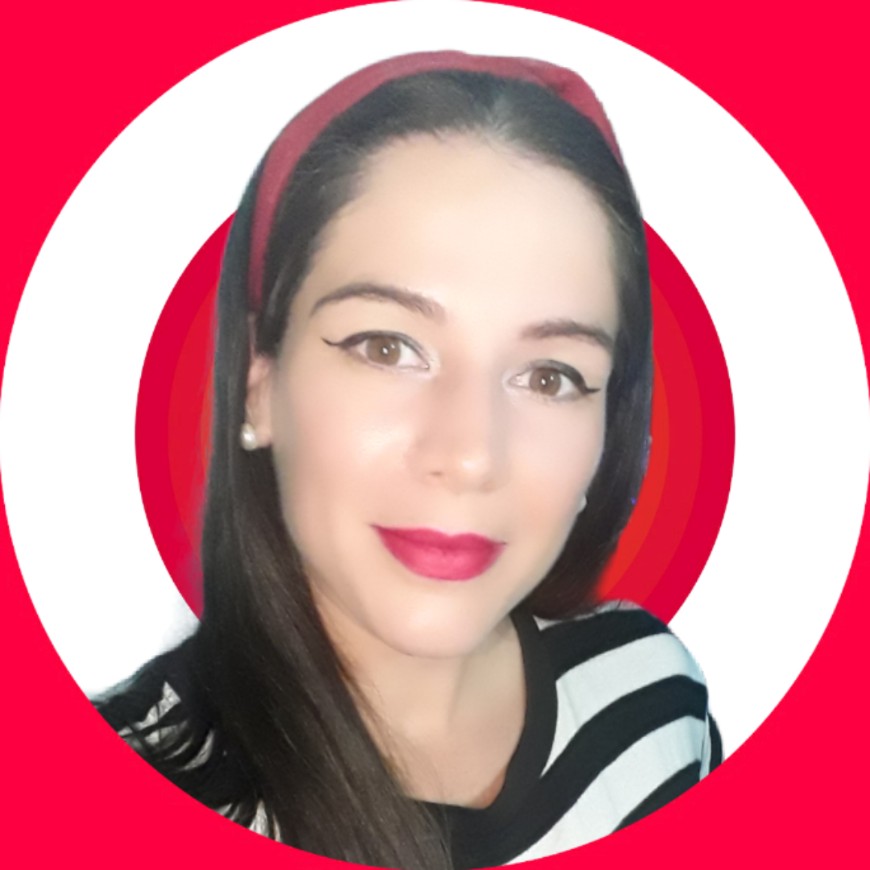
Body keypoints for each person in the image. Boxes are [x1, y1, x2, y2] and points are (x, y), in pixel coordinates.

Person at [95, 50, 721, 869]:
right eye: (386, 346)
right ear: (258, 383)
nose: (469, 456)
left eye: (550, 376)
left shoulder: (654, 698)